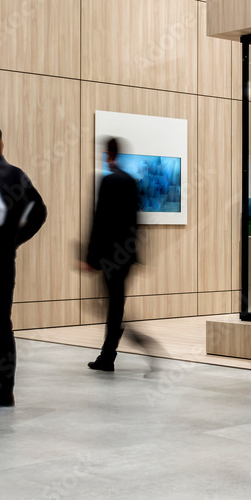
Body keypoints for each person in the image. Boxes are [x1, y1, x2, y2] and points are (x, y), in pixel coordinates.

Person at [0, 122, 47, 406]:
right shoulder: (16, 174)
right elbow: (39, 212)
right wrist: (16, 238)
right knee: (2, 323)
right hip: (3, 259)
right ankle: (5, 390)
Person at [81, 137, 161, 372]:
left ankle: (122, 350)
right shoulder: (130, 182)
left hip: (109, 256)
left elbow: (99, 220)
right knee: (114, 305)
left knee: (111, 306)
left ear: (108, 155)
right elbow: (135, 221)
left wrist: (91, 258)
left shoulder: (108, 181)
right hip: (125, 255)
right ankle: (109, 354)